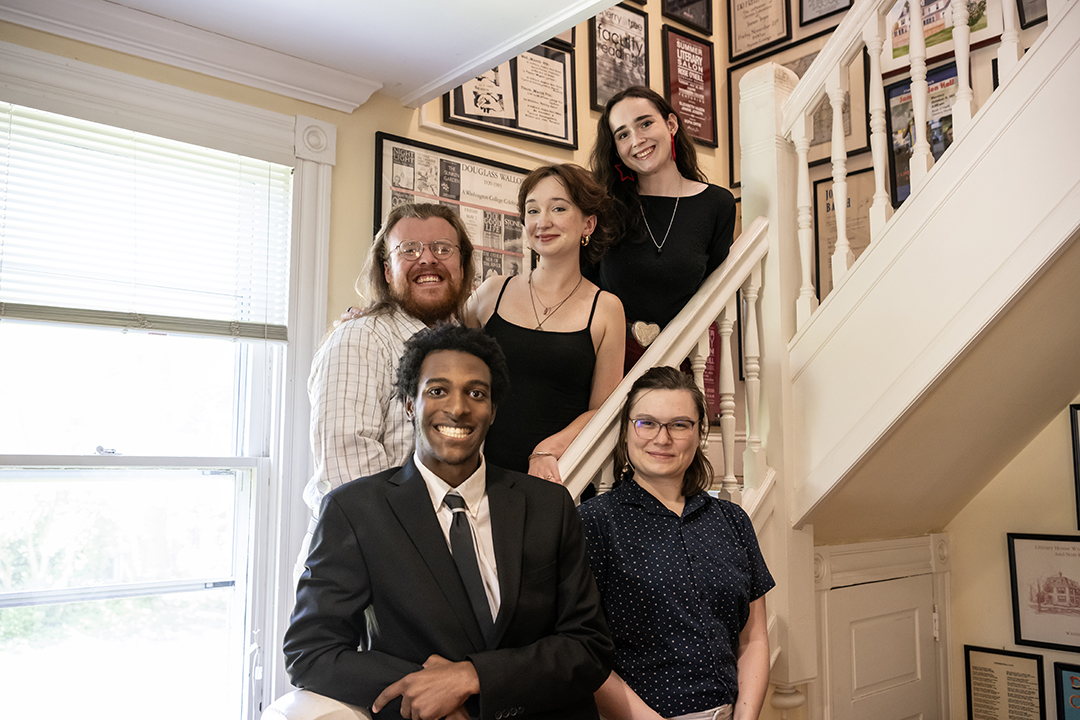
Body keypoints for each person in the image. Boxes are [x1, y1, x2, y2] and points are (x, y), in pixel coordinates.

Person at [285, 323, 615, 720]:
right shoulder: (354, 511)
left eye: (476, 393)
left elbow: (589, 645)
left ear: (493, 410)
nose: (458, 408)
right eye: (437, 390)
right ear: (410, 403)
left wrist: (472, 678)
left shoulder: (549, 505)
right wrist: (425, 688)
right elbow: (311, 651)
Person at [578, 367, 773, 720]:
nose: (662, 439)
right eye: (647, 423)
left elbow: (754, 638)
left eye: (680, 425)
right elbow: (580, 651)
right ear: (626, 433)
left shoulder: (732, 520)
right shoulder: (594, 522)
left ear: (699, 434)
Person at [300, 203, 474, 580]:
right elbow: (347, 467)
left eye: (443, 249)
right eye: (409, 250)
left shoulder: (467, 349)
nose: (427, 260)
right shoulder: (359, 338)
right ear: (386, 269)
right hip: (363, 560)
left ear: (462, 266)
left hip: (437, 558)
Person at [466, 164, 625, 483]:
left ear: (588, 223)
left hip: (556, 479)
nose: (543, 221)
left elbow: (603, 411)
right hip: (477, 474)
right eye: (533, 210)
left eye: (559, 208)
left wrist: (548, 449)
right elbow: (445, 358)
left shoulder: (606, 309)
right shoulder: (491, 292)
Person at [589, 87, 738, 372]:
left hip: (675, 360)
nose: (637, 140)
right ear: (617, 150)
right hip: (604, 358)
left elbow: (712, 291)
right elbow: (584, 289)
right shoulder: (603, 208)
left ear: (671, 124)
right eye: (623, 134)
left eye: (645, 123)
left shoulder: (717, 205)